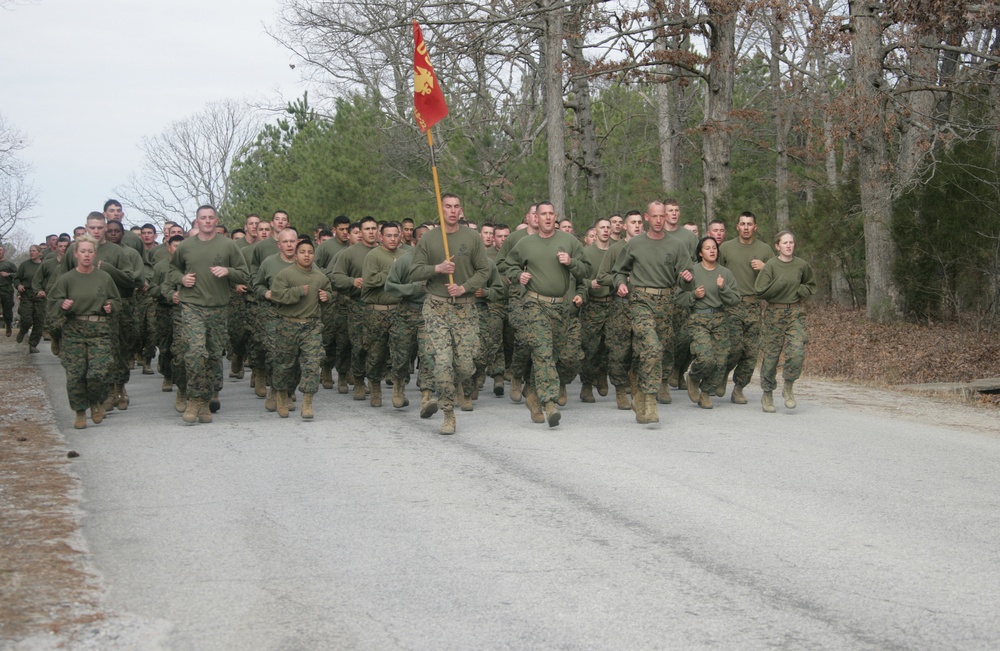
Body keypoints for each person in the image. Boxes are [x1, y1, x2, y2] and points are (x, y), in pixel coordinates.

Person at [503, 201, 591, 426]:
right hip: (534, 304)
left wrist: (571, 262)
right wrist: (518, 276)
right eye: (543, 214)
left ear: (556, 217)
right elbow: (506, 265)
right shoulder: (525, 243)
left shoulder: (569, 241)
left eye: (552, 214)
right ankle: (549, 403)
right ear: (535, 218)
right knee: (542, 352)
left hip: (561, 307)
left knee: (555, 356)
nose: (548, 217)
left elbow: (586, 269)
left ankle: (532, 394)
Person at [410, 193, 490, 435]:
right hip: (437, 306)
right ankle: (448, 413)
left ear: (461, 210)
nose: (452, 211)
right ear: (441, 209)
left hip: (465, 307)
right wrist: (438, 268)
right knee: (442, 362)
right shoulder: (430, 239)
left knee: (466, 366)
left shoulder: (472, 237)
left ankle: (454, 383)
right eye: (448, 207)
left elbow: (484, 271)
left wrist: (464, 287)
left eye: (456, 207)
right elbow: (414, 271)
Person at [612, 202, 693, 424]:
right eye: (654, 216)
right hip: (640, 301)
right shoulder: (636, 244)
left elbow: (687, 279)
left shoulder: (676, 245)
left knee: (656, 353)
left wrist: (687, 279)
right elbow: (619, 271)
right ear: (647, 217)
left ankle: (637, 385)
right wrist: (620, 284)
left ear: (666, 217)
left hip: (667, 302)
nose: (658, 220)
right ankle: (648, 399)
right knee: (652, 347)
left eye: (662, 216)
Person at [170, 205, 250, 424]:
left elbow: (245, 274)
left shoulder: (228, 246)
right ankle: (194, 398)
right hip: (192, 306)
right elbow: (172, 270)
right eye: (203, 218)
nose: (207, 221)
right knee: (195, 353)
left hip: (218, 308)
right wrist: (182, 279)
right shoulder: (185, 246)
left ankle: (207, 399)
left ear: (216, 221)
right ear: (196, 221)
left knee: (214, 356)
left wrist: (228, 272)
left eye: (211, 218)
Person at [46, 236, 120, 429]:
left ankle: (96, 402)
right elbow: (52, 302)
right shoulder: (67, 278)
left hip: (99, 328)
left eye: (90, 251)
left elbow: (117, 300)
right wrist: (63, 305)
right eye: (83, 251)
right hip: (74, 329)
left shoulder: (104, 277)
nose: (86, 255)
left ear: (95, 254)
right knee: (76, 373)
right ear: (76, 254)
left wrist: (111, 306)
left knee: (99, 371)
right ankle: (80, 411)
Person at [269, 238, 332, 419]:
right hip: (288, 325)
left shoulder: (320, 277)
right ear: (296, 255)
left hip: (311, 326)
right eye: (302, 252)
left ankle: (307, 402)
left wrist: (326, 296)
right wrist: (297, 292)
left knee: (313, 363)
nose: (307, 255)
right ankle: (282, 395)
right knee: (285, 364)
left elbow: (329, 292)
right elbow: (277, 296)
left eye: (310, 252)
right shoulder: (285, 275)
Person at [754, 230, 817, 412]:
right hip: (774, 313)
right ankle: (767, 393)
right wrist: (778, 285)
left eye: (791, 242)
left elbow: (811, 284)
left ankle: (788, 386)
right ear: (777, 246)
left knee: (797, 352)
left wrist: (802, 290)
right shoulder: (771, 266)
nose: (789, 246)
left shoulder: (801, 265)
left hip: (795, 312)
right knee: (771, 356)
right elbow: (760, 290)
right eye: (785, 243)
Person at [719, 211, 773, 404]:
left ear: (755, 227)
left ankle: (739, 388)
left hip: (754, 305)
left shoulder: (765, 249)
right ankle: (721, 376)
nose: (746, 227)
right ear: (737, 227)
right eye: (742, 224)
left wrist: (765, 267)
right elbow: (714, 270)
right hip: (731, 304)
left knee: (750, 352)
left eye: (750, 224)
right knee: (734, 347)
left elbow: (777, 274)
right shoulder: (726, 248)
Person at [680, 237, 740, 408]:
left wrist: (723, 288)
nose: (712, 251)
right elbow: (679, 297)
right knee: (706, 357)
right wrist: (693, 295)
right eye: (707, 248)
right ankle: (693, 376)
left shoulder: (725, 273)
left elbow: (735, 299)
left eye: (714, 248)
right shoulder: (692, 271)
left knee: (721, 362)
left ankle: (705, 392)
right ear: (700, 253)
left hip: (719, 319)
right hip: (698, 318)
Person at [597, 210, 644, 409]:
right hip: (621, 306)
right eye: (633, 222)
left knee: (641, 350)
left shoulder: (647, 247)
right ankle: (620, 390)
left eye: (640, 222)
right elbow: (602, 277)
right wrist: (621, 281)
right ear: (625, 226)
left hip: (643, 306)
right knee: (619, 351)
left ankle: (636, 387)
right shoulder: (616, 249)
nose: (637, 225)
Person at [330, 216, 380, 400]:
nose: (371, 232)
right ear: (361, 231)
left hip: (379, 306)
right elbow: (336, 277)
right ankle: (353, 379)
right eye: (367, 229)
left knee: (376, 348)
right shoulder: (349, 253)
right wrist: (353, 281)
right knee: (356, 345)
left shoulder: (384, 251)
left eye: (374, 228)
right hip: (357, 305)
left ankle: (373, 380)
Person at [360, 221, 405, 407]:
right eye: (389, 235)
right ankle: (374, 384)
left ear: (400, 236)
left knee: (401, 353)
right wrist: (392, 272)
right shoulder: (374, 255)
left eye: (396, 235)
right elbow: (370, 280)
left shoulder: (406, 255)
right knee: (376, 354)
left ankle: (399, 388)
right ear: (381, 237)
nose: (392, 239)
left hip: (400, 311)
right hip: (376, 312)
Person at [578, 217, 613, 402]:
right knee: (590, 347)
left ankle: (602, 374)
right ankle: (586, 384)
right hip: (593, 304)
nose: (606, 230)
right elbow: (577, 278)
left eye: (608, 227)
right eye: (602, 227)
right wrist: (589, 284)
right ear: (595, 231)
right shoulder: (586, 253)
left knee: (610, 345)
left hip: (613, 302)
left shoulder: (617, 251)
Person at [33, 236, 71, 355]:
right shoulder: (51, 263)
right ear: (56, 247)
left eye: (66, 246)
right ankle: (55, 337)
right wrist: (40, 290)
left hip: (72, 298)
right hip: (55, 296)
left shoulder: (76, 263)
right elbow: (39, 280)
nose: (63, 249)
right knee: (55, 324)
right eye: (61, 246)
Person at [14, 245, 45, 352]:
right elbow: (16, 278)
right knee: (27, 318)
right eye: (30, 251)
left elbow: (49, 279)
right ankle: (23, 330)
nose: (31, 253)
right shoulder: (24, 265)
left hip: (40, 295)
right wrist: (18, 285)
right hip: (27, 293)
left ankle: (33, 344)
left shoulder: (43, 265)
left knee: (39, 321)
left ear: (39, 253)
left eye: (34, 251)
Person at [0, 246, 15, 336]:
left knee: (7, 310)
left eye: (0, 250)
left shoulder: (9, 264)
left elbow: (18, 274)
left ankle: (8, 326)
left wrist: (8, 274)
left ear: (3, 251)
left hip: (6, 289)